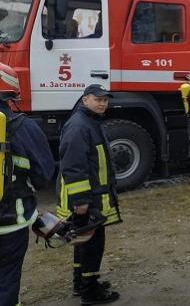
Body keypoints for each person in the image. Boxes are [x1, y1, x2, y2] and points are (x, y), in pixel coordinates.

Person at [56, 84, 121, 305]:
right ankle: (90, 291)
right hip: (87, 199)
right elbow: (74, 165)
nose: (103, 104)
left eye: (105, 100)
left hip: (90, 196)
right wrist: (81, 199)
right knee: (92, 244)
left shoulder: (89, 121)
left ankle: (81, 283)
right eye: (98, 99)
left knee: (82, 240)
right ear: (85, 100)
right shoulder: (80, 125)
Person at [0, 63, 55, 306]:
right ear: (11, 92)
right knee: (7, 279)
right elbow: (43, 175)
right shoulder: (23, 127)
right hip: (12, 222)